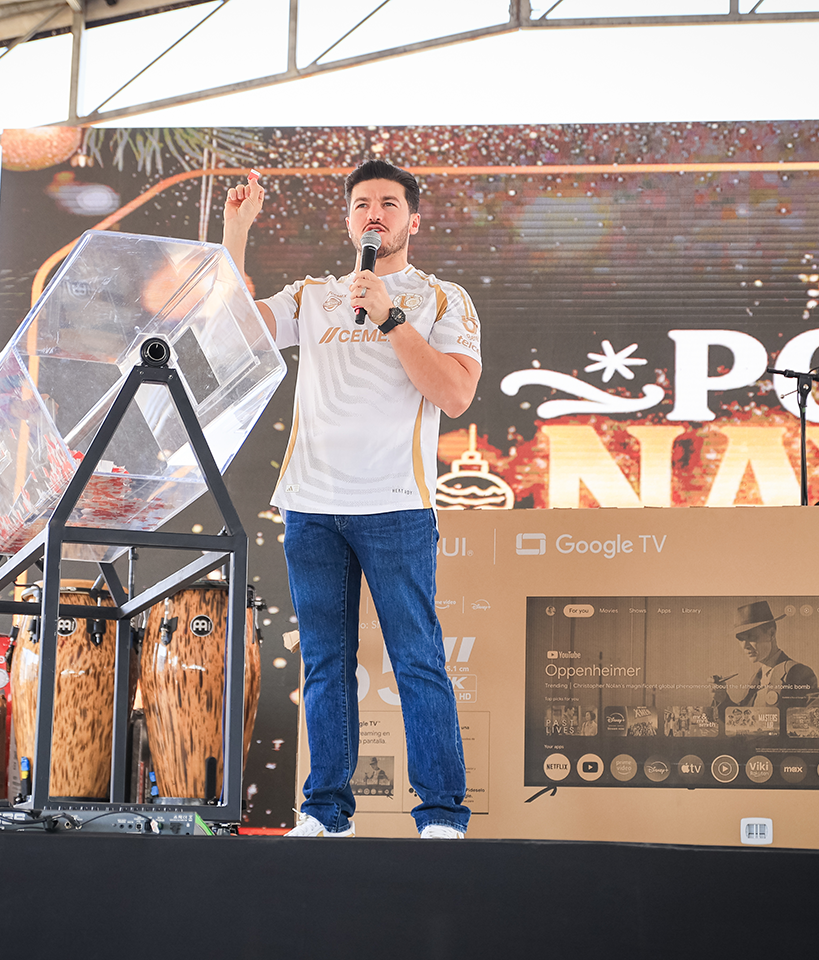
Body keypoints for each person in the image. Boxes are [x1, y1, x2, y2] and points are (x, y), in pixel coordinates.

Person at [223, 161, 481, 839]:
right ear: (347, 221)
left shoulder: (443, 298)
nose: (375, 213)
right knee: (325, 663)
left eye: (389, 203)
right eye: (362, 203)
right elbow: (234, 334)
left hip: (396, 504)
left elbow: (454, 394)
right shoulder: (313, 296)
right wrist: (235, 233)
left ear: (412, 220)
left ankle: (442, 816)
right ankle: (325, 812)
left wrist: (392, 317)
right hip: (312, 506)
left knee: (417, 659)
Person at [711, 601, 819, 715]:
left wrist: (780, 725)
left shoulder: (796, 672)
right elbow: (743, 723)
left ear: (771, 633)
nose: (744, 646)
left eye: (751, 637)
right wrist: (722, 698)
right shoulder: (756, 679)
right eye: (741, 639)